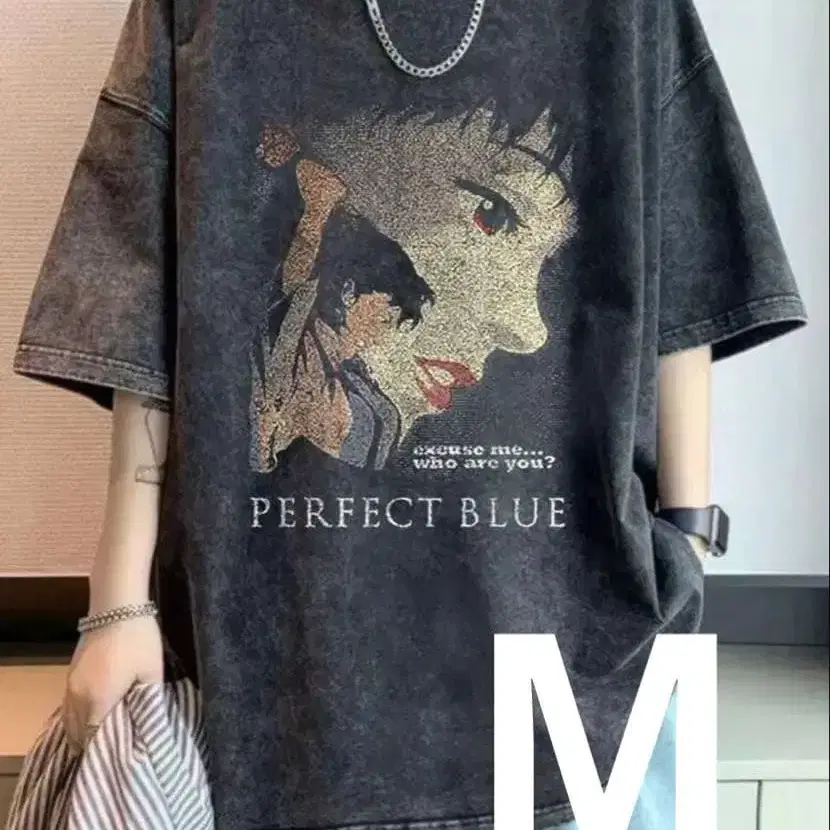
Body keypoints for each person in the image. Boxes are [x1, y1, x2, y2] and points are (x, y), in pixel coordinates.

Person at [12, 0, 808, 828]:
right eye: (491, 212)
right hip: (277, 693)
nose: (526, 329)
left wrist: (686, 541)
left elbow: (691, 270)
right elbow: (138, 296)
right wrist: (117, 602)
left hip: (587, 692)